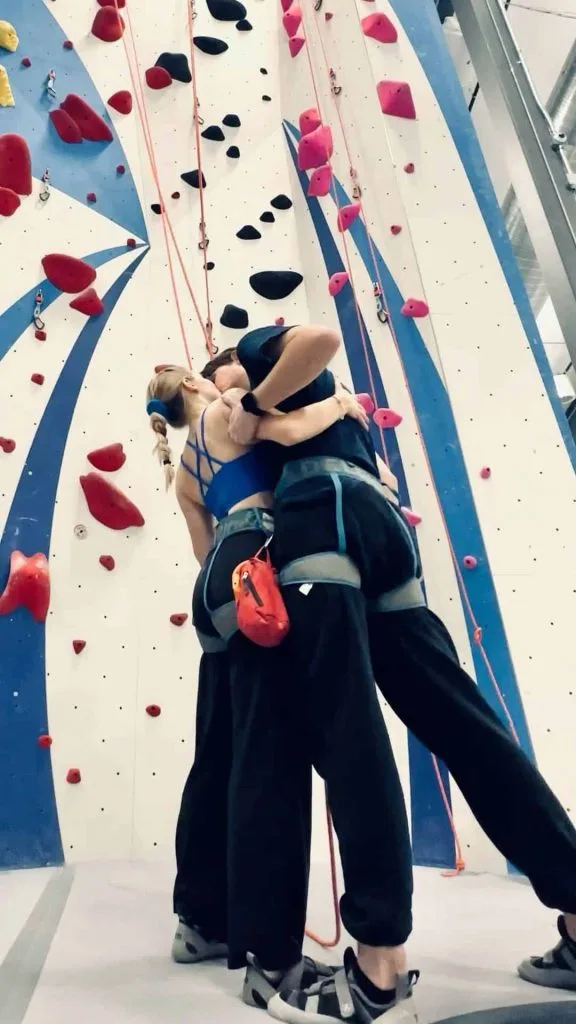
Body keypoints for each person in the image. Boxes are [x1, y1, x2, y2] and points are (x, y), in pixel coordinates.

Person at [201, 324, 576, 1023]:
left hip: (322, 522)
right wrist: (308, 416)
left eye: (219, 374)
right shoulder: (336, 408)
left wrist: (254, 408)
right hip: (382, 525)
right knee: (466, 726)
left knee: (349, 737)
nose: (220, 391)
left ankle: (378, 967)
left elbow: (313, 336)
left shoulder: (254, 370)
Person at [145, 364, 368, 1009]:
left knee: (217, 755)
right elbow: (295, 425)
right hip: (260, 562)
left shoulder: (185, 469)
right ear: (192, 381)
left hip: (218, 582)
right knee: (271, 757)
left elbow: (201, 547)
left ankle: (202, 921)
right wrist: (341, 405)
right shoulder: (228, 409)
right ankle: (270, 957)